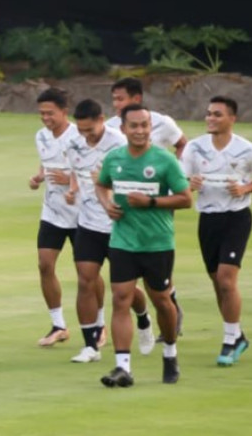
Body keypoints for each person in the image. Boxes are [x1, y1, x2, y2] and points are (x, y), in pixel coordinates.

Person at [96, 104, 192, 388]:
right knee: (120, 299)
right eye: (134, 126)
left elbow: (186, 198)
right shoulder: (113, 159)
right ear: (123, 129)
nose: (140, 130)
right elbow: (101, 185)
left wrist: (151, 202)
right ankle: (122, 367)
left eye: (145, 125)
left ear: (151, 128)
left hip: (157, 243)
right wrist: (107, 204)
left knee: (162, 300)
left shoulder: (164, 161)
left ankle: (170, 352)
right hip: (123, 240)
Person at [181, 96, 252, 367]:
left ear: (232, 118)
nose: (210, 119)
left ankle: (229, 340)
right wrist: (191, 183)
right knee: (217, 282)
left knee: (226, 279)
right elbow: (181, 183)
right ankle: (239, 335)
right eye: (208, 114)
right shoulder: (194, 148)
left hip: (236, 218)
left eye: (217, 115)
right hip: (208, 219)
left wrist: (245, 189)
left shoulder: (247, 149)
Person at [65, 99, 156, 364]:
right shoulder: (73, 144)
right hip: (88, 223)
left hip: (120, 224)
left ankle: (142, 317)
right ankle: (90, 345)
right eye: (81, 130)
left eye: (90, 130)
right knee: (85, 280)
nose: (85, 135)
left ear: (102, 119)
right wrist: (73, 189)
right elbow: (76, 171)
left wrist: (106, 183)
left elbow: (139, 179)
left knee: (123, 289)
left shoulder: (120, 144)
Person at [106, 77, 188, 331]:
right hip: (126, 204)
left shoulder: (164, 123)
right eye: (114, 99)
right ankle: (149, 315)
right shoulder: (113, 126)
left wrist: (176, 177)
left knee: (156, 252)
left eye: (120, 99)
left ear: (137, 99)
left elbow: (182, 144)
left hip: (157, 197)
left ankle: (168, 304)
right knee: (126, 271)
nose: (116, 104)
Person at [28, 87, 81, 347]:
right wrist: (38, 177)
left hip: (83, 213)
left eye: (50, 113)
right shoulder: (41, 136)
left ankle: (99, 325)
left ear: (64, 111)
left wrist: (70, 180)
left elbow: (96, 172)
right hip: (52, 210)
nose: (45, 118)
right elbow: (46, 162)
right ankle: (59, 324)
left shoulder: (79, 136)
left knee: (88, 274)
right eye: (41, 113)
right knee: (45, 265)